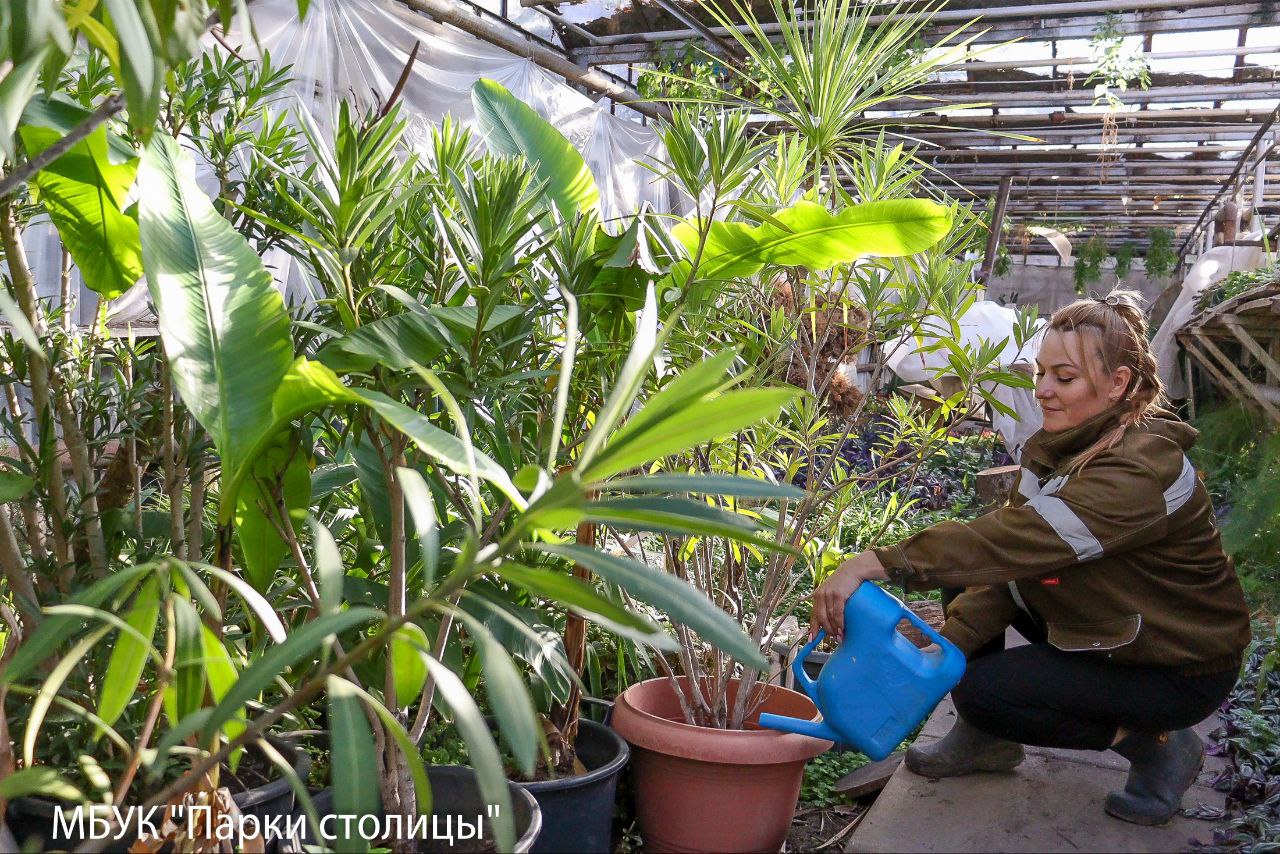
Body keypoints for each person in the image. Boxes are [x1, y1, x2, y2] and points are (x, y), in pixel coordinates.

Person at [808, 290, 1251, 827]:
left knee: (984, 690)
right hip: (1116, 624)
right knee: (965, 593)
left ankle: (1156, 745)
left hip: (1174, 662)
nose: (1042, 391)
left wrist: (873, 561)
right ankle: (987, 740)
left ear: (1119, 383)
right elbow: (999, 568)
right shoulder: (1070, 445)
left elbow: (1008, 542)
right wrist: (935, 660)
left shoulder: (1138, 471)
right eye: (1040, 373)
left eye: (1064, 378)